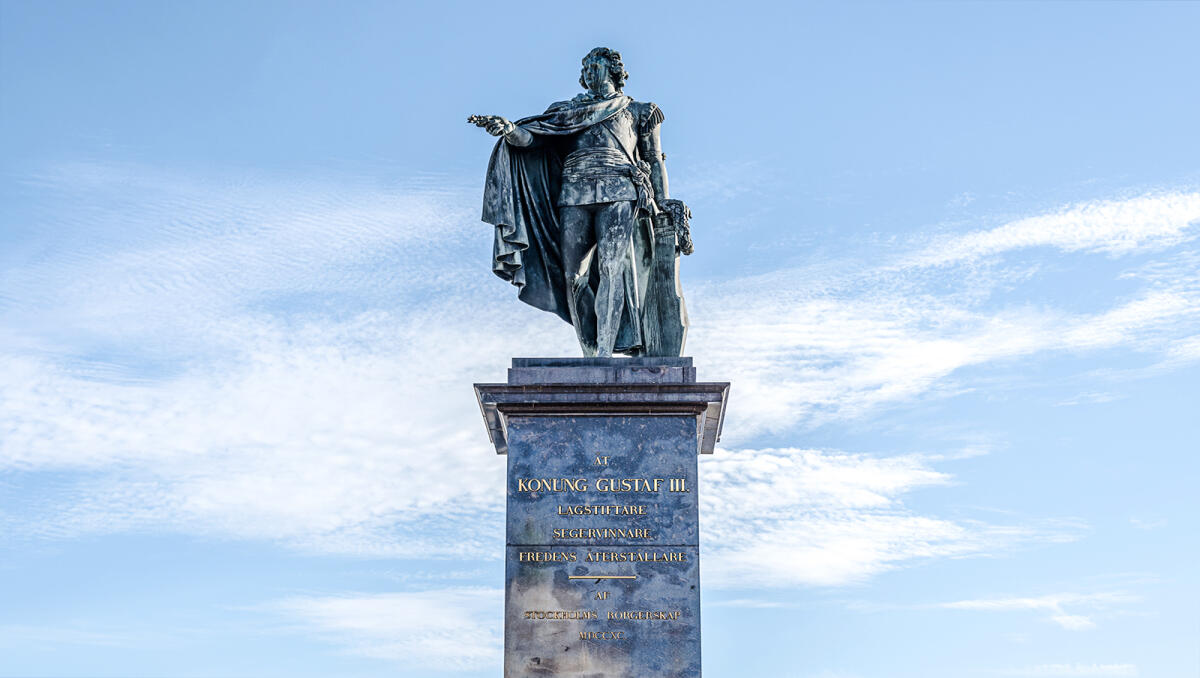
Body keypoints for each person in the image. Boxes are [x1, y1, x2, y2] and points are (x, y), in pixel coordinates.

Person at [470, 47, 689, 357]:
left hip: (619, 191)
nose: (588, 73)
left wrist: (662, 202)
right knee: (573, 276)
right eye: (585, 69)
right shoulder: (566, 111)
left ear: (613, 71)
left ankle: (603, 352)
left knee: (612, 268)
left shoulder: (639, 111)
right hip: (574, 191)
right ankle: (590, 348)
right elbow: (533, 139)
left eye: (594, 67)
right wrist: (511, 131)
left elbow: (653, 159)